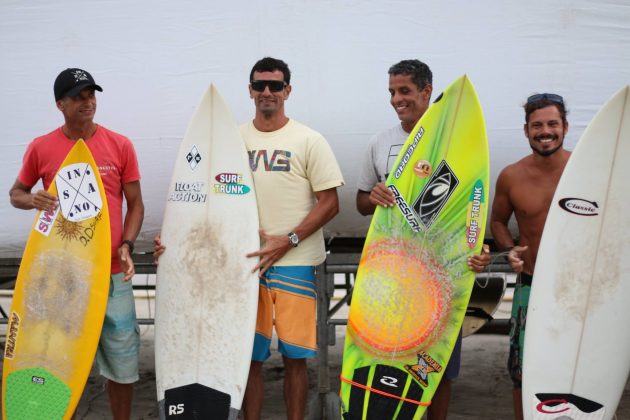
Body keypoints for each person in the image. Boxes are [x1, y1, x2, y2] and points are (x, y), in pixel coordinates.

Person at [355, 59, 490, 420]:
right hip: (391, 269)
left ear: (427, 91)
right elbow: (360, 202)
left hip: (441, 272)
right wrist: (374, 198)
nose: (397, 100)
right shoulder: (380, 142)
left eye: (404, 91)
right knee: (387, 356)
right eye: (392, 93)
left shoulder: (454, 143)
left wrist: (475, 245)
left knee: (436, 363)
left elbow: (469, 205)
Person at [9, 68, 145, 420]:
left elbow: (136, 203)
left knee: (123, 363)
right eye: (79, 96)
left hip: (112, 274)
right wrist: (33, 200)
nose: (88, 102)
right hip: (63, 276)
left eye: (91, 94)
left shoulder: (120, 144)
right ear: (60, 104)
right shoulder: (42, 147)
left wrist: (127, 243)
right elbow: (16, 194)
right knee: (57, 359)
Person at [240, 57, 344, 420]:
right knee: (249, 357)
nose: (266, 92)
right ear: (250, 90)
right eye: (259, 85)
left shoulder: (308, 139)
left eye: (275, 85)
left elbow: (330, 202)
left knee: (295, 358)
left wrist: (289, 239)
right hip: (248, 263)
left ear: (288, 90)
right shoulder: (233, 139)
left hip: (295, 262)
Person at [490, 93, 571, 420]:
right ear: (526, 131)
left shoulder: (587, 170)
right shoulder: (512, 176)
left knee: (576, 367)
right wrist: (510, 249)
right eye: (537, 125)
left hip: (579, 289)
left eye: (552, 123)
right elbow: (497, 221)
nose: (545, 131)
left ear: (565, 127)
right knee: (523, 371)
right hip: (531, 284)